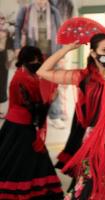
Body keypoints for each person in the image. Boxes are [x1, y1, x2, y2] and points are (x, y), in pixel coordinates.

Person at [37, 33, 105, 200]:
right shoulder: (83, 76)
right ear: (93, 53)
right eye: (104, 50)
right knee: (89, 181)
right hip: (93, 140)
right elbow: (43, 71)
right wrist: (67, 49)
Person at [0, 46, 63, 199]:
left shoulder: (28, 76)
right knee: (23, 161)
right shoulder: (21, 78)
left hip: (20, 125)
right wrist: (50, 101)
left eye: (38, 59)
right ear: (24, 61)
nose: (36, 62)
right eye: (32, 60)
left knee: (25, 160)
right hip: (19, 127)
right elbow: (32, 106)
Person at [15, 0, 66, 129]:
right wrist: (16, 47)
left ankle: (54, 115)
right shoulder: (25, 10)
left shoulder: (54, 11)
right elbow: (17, 28)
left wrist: (61, 54)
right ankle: (34, 116)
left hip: (51, 54)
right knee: (32, 84)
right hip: (33, 56)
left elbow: (61, 33)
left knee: (53, 85)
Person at [0, 12, 15, 118]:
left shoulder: (8, 30)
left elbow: (10, 47)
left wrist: (10, 60)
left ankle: (0, 109)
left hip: (3, 58)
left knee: (2, 82)